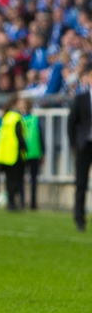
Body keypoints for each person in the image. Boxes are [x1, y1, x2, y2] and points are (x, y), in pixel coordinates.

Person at [67, 67, 92, 232]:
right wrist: (74, 143)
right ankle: (79, 218)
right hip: (84, 145)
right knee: (81, 183)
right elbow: (72, 122)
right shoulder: (81, 98)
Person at [0, 96, 27, 211]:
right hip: (13, 153)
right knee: (13, 180)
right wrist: (24, 148)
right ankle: (11, 203)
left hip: (2, 153)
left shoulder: (6, 117)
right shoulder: (17, 118)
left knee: (4, 179)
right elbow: (19, 135)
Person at [21, 99, 43, 210]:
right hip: (34, 152)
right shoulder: (35, 119)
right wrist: (43, 152)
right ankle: (33, 203)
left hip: (23, 152)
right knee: (33, 179)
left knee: (21, 179)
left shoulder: (19, 119)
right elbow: (41, 136)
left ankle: (22, 202)